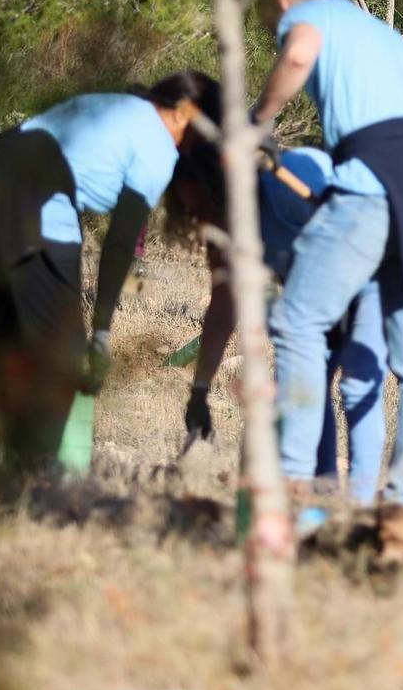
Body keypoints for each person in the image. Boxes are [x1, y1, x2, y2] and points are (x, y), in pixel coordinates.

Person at [252, 0, 403, 562]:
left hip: (373, 175)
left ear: (285, 0)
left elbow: (297, 57)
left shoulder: (311, 16)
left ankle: (293, 490)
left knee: (297, 320)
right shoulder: (383, 35)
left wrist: (256, 121)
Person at [0, 72, 218, 460]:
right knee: (63, 364)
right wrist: (102, 330)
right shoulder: (158, 145)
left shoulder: (110, 102)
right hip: (33, 211)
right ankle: (37, 478)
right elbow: (121, 241)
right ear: (183, 114)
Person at [163, 140, 387, 506]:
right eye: (193, 210)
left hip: (372, 274)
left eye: (203, 203)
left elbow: (364, 218)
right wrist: (200, 390)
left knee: (355, 382)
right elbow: (222, 312)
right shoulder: (226, 232)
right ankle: (321, 493)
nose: (202, 215)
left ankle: (359, 503)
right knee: (307, 382)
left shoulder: (294, 173)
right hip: (316, 300)